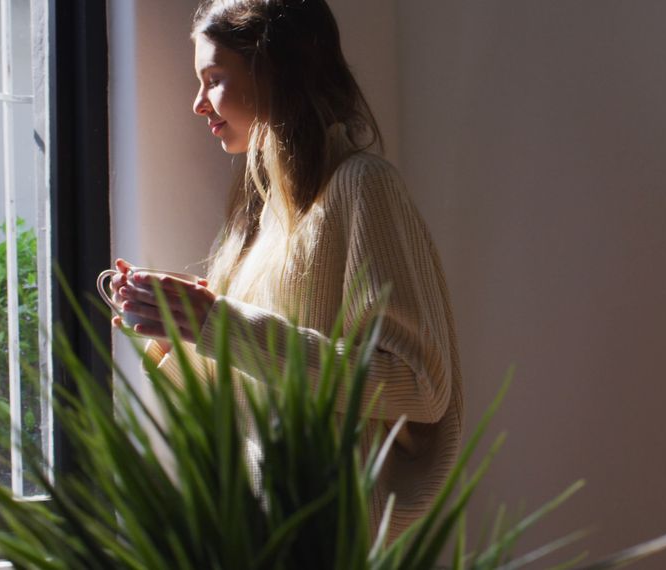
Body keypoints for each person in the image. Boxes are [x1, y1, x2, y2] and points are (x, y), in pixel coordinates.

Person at [108, 0, 462, 541]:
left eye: (215, 78)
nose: (198, 103)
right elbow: (249, 405)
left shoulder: (363, 185)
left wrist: (219, 323)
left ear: (274, 70)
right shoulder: (259, 219)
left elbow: (417, 385)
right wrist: (180, 329)